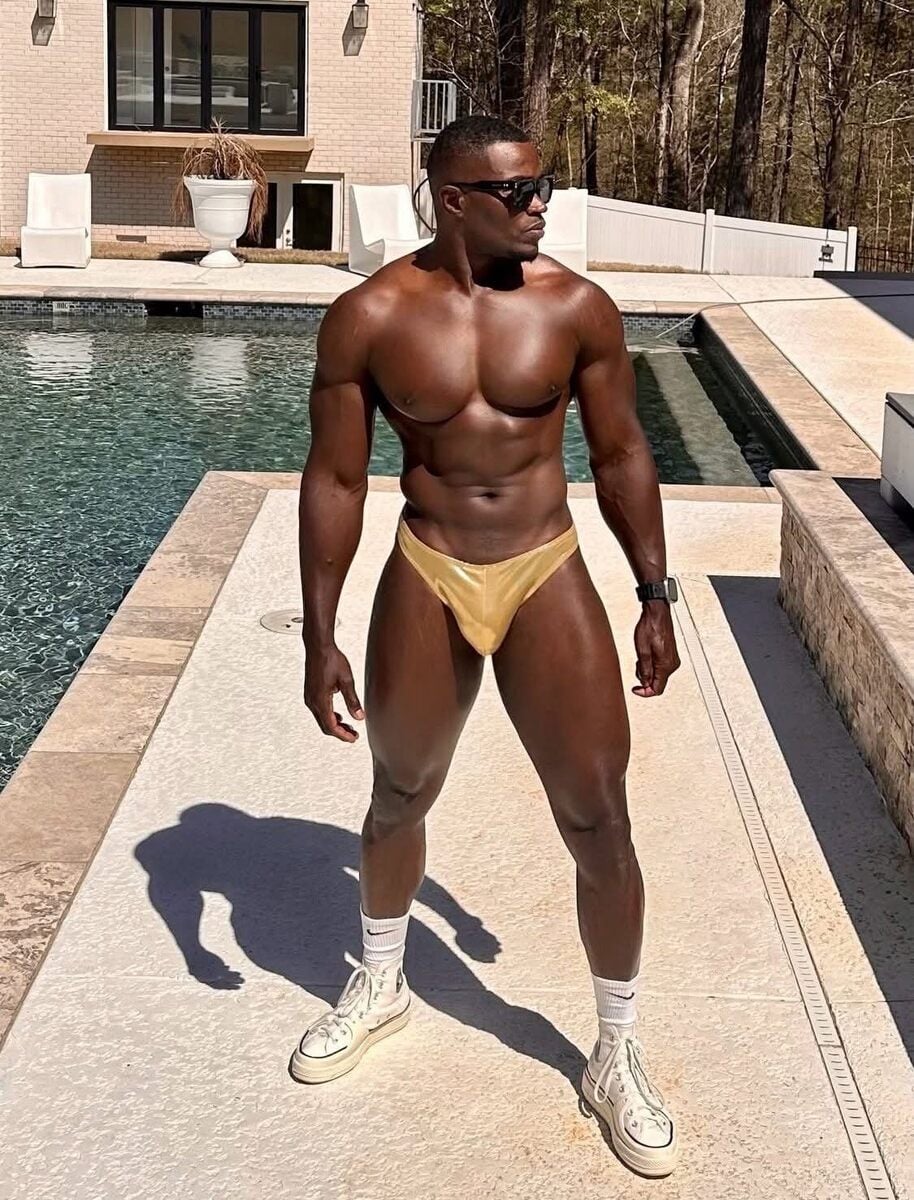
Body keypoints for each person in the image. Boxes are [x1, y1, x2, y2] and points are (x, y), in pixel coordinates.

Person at [291, 114, 681, 1178]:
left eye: (544, 185)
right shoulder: (370, 316)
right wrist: (320, 633)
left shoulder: (574, 308)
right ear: (454, 200)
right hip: (428, 566)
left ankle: (615, 1049)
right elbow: (334, 479)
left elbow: (621, 453)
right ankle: (383, 980)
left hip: (542, 566)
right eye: (517, 191)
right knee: (397, 795)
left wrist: (654, 593)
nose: (540, 205)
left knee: (598, 815)